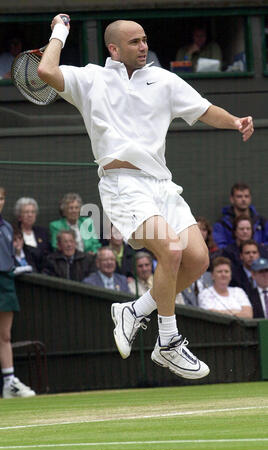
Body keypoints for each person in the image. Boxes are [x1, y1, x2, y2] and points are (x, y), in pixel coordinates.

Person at [38, 14, 254, 380]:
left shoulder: (163, 79)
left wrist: (234, 121)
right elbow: (45, 71)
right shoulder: (91, 79)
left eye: (145, 40)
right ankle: (167, 343)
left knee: (198, 259)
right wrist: (59, 33)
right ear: (114, 48)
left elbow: (203, 109)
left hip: (161, 184)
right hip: (122, 184)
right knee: (170, 249)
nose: (144, 46)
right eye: (135, 41)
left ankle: (134, 310)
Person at [0, 187, 35, 398]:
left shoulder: (6, 228)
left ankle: (9, 382)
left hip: (5, 281)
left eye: (1, 198)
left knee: (4, 335)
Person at [213, 182, 268, 248]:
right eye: (239, 196)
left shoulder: (262, 222)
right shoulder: (222, 224)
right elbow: (220, 246)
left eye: (246, 196)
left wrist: (260, 250)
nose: (243, 199)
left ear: (250, 198)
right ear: (232, 199)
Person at [14, 197, 51, 272]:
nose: (30, 215)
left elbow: (48, 254)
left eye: (33, 212)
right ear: (19, 216)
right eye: (26, 212)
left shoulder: (43, 232)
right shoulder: (14, 233)